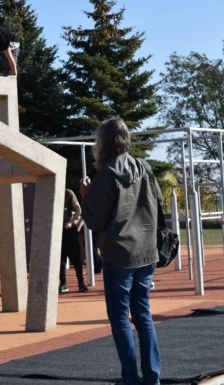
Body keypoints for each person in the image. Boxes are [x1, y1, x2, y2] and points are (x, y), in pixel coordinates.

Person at [79, 117, 161, 385]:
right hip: (147, 251)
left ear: (103, 142)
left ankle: (130, 378)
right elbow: (158, 204)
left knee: (120, 319)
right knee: (143, 315)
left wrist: (85, 195)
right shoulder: (145, 168)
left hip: (119, 254)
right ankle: (152, 378)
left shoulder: (105, 176)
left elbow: (94, 221)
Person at [59, 188, 87, 293]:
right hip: (57, 231)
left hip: (69, 230)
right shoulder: (49, 191)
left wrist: (71, 222)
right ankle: (63, 283)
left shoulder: (68, 193)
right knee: (60, 259)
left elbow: (78, 210)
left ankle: (81, 283)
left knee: (75, 257)